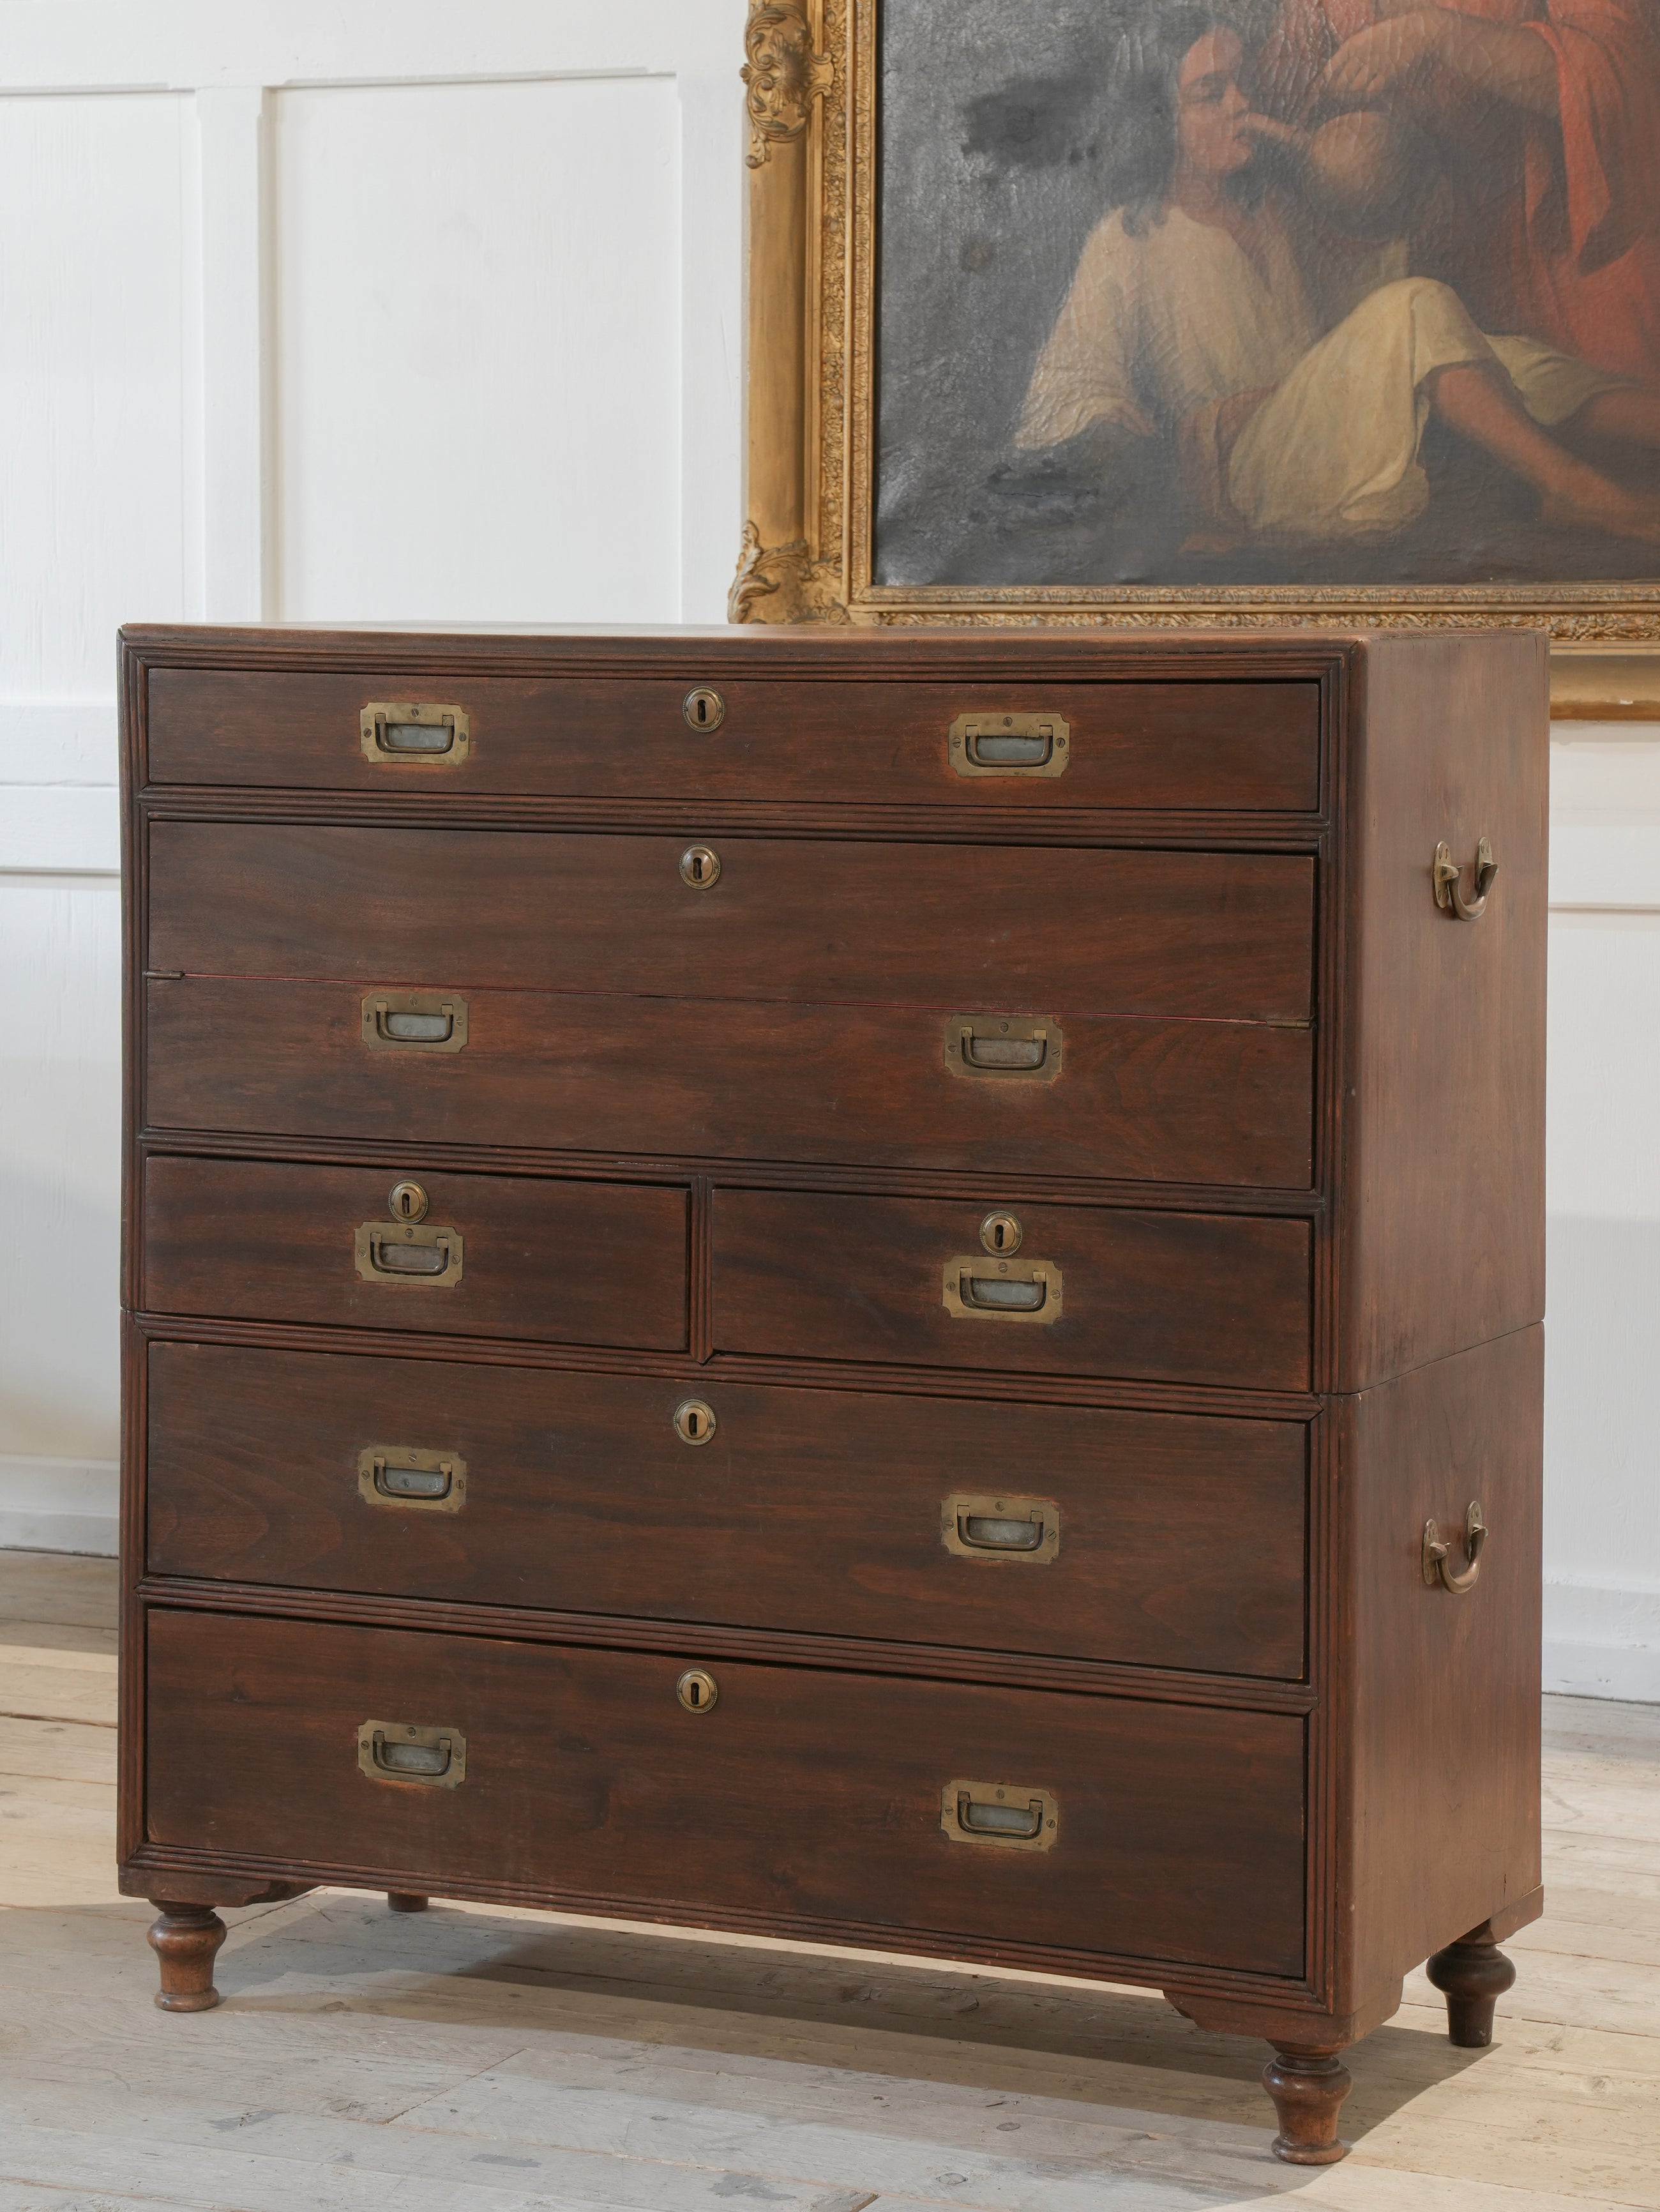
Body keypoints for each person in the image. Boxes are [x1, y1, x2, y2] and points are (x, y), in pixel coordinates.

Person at [1016, 4, 1660, 544]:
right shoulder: (1128, 237)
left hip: (1318, 424)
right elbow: (1069, 391)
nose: (1240, 104)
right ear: (1162, 121)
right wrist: (1166, 453)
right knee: (1417, 306)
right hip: (1251, 465)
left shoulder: (1275, 214)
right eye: (1210, 95)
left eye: (1242, 84)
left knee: (1487, 349)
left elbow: (1352, 319)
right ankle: (1574, 488)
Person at [1255, 0, 1660, 381]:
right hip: (1434, 265)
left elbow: (1619, 71)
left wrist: (1436, 34)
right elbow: (1284, 101)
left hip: (1569, 244)